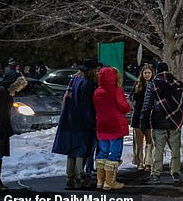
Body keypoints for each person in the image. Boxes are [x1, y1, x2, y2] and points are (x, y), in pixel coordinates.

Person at [51, 57, 98, 189]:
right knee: (81, 149)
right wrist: (91, 121)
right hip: (81, 120)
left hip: (69, 119)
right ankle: (80, 176)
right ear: (91, 70)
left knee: (71, 149)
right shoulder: (87, 84)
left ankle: (69, 177)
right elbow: (86, 105)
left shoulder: (74, 80)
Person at [140, 60, 183, 184]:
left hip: (158, 121)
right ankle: (176, 173)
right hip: (174, 122)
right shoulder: (178, 84)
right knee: (175, 149)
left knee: (158, 149)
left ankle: (156, 174)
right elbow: (182, 104)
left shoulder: (153, 84)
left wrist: (143, 121)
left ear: (157, 71)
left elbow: (147, 105)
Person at [93, 66, 131, 190]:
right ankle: (110, 181)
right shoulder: (116, 90)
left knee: (102, 151)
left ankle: (100, 180)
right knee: (114, 153)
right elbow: (124, 107)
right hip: (115, 125)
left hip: (102, 125)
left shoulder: (97, 91)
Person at [129, 63, 154, 171]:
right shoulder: (137, 84)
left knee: (150, 141)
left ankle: (148, 162)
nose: (147, 75)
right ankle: (139, 162)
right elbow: (131, 99)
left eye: (149, 72)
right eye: (145, 73)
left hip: (150, 116)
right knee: (138, 141)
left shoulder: (154, 85)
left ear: (152, 74)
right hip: (138, 115)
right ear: (142, 73)